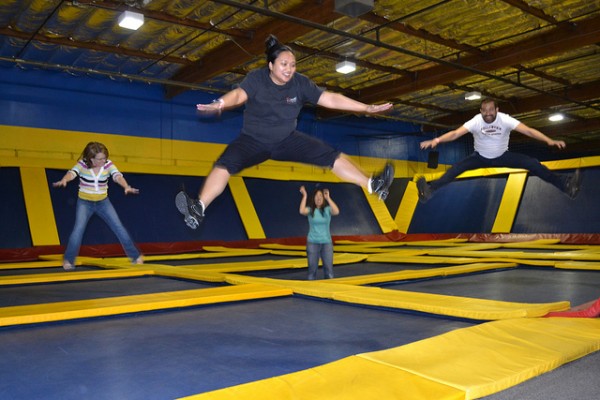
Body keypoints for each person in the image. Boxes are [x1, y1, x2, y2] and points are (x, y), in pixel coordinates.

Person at [176, 34, 394, 229]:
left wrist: (364, 107)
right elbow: (239, 95)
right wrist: (220, 103)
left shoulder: (300, 84)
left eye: (292, 64)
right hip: (252, 140)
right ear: (271, 65)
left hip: (286, 140)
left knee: (331, 155)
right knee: (225, 163)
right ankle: (199, 208)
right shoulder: (256, 79)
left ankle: (371, 185)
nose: (289, 69)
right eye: (283, 64)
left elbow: (330, 98)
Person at [416, 97, 581, 203]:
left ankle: (566, 186)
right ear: (481, 111)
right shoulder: (476, 120)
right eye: (484, 110)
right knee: (455, 170)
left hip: (503, 155)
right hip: (479, 157)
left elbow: (528, 131)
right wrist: (437, 140)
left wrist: (548, 140)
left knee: (533, 164)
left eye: (490, 110)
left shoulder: (505, 119)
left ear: (497, 110)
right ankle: (429, 191)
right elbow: (455, 133)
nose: (487, 113)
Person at [53, 142, 143, 270]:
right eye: (100, 159)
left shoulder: (108, 164)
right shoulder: (83, 164)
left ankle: (135, 256)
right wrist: (65, 180)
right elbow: (72, 173)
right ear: (91, 159)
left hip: (103, 202)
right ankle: (68, 259)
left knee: (118, 227)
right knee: (78, 230)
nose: (103, 160)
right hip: (85, 202)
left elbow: (117, 176)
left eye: (104, 157)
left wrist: (126, 186)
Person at [299, 185, 339, 280]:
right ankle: (311, 290)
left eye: (320, 196)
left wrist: (328, 198)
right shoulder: (310, 210)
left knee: (329, 271)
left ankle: (329, 291)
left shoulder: (327, 210)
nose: (318, 198)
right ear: (313, 199)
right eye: (316, 196)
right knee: (312, 271)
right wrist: (304, 195)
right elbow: (301, 211)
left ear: (323, 198)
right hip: (313, 242)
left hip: (326, 243)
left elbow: (336, 211)